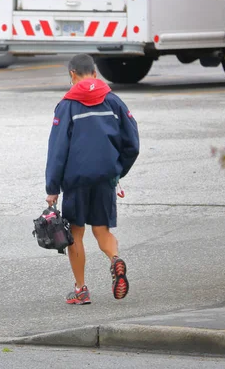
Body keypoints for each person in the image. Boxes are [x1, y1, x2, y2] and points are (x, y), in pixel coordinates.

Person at [44, 54, 140, 305]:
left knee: (75, 232)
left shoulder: (66, 106)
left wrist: (52, 188)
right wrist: (117, 170)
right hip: (105, 177)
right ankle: (115, 260)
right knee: (101, 229)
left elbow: (57, 149)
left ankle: (81, 289)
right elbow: (132, 144)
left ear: (72, 75)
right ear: (95, 74)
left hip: (76, 180)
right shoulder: (114, 101)